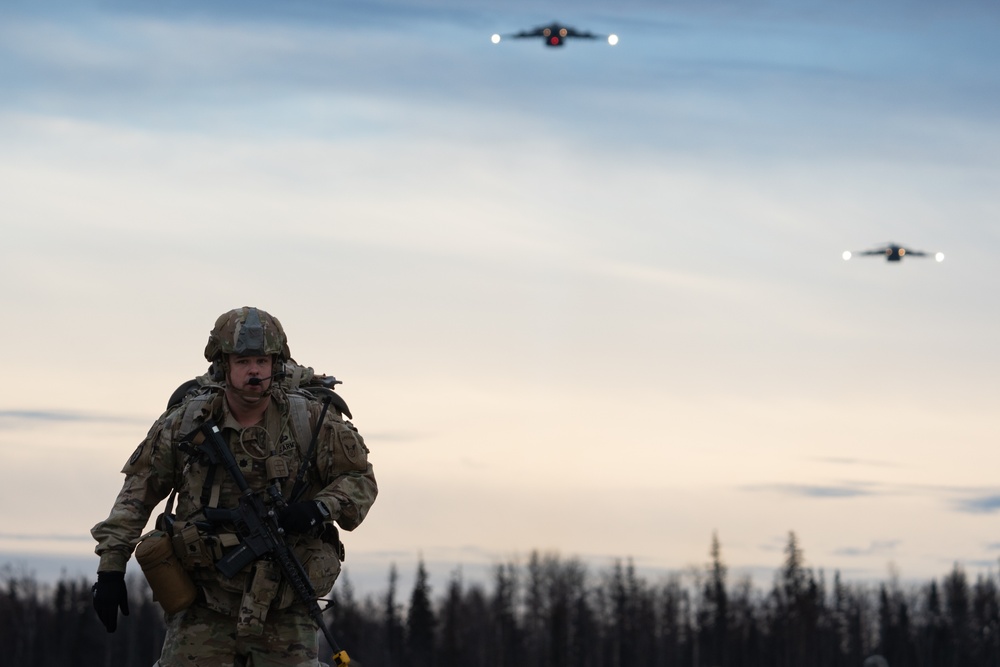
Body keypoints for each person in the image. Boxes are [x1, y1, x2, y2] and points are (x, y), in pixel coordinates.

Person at [91, 306, 378, 667]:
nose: (254, 371)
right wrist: (111, 567)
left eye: (262, 360)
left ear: (276, 362)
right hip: (204, 603)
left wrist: (320, 508)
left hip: (285, 603)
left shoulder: (312, 421)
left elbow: (360, 479)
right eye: (243, 361)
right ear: (223, 364)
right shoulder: (186, 423)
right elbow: (137, 493)